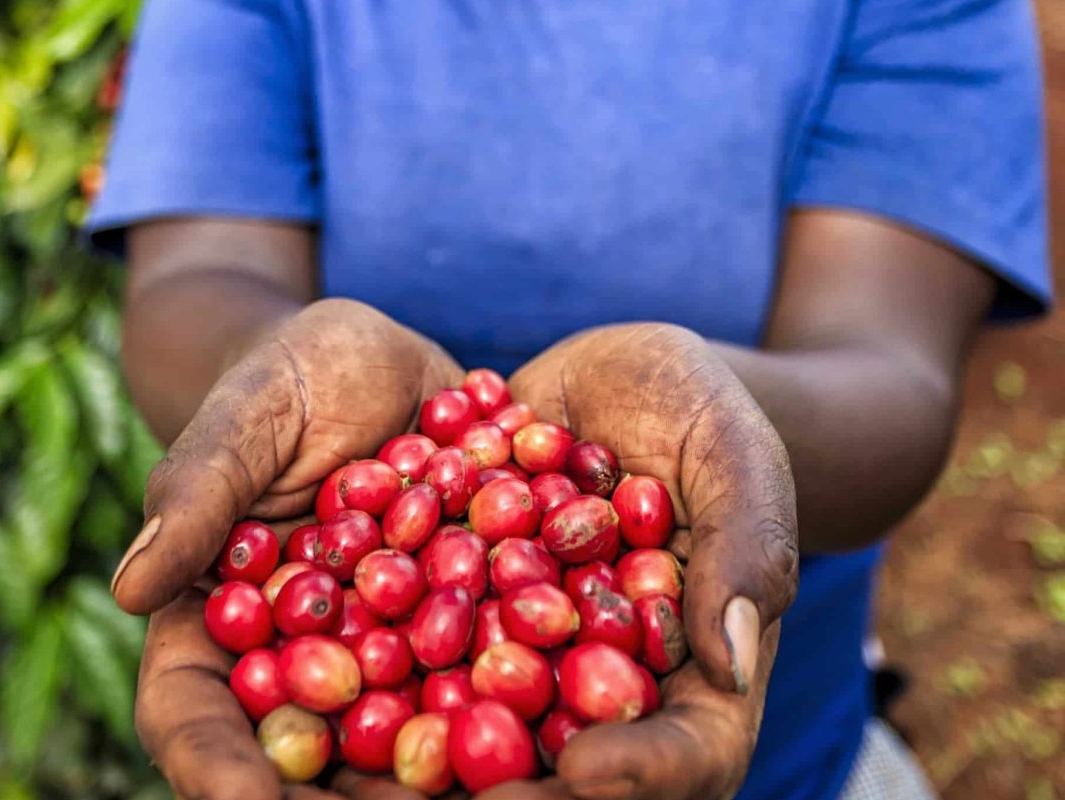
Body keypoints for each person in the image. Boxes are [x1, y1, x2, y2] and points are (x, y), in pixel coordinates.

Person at [86, 1, 1050, 798]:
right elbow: (195, 278)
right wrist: (275, 383)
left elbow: (894, 375)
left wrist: (716, 433)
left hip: (786, 756)